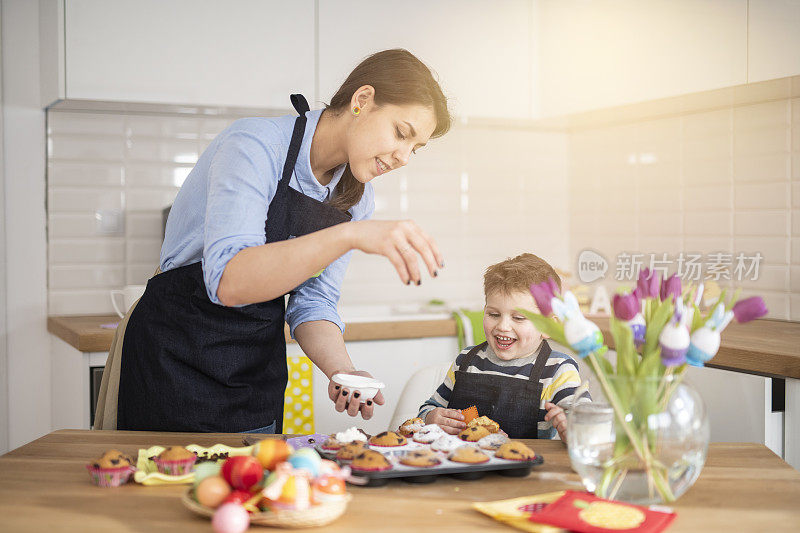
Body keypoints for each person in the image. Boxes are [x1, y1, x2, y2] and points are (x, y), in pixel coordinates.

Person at [94, 49, 452, 433]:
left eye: (416, 148)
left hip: (253, 370)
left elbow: (314, 300)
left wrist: (343, 371)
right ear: (362, 100)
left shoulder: (356, 197)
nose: (404, 158)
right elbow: (229, 281)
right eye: (401, 133)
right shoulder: (255, 145)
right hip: (174, 352)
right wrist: (350, 236)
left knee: (257, 488)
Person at [418, 253, 589, 440]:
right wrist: (430, 417)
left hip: (524, 466)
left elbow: (588, 422)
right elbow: (429, 407)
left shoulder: (558, 369)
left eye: (518, 318)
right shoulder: (466, 360)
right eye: (493, 314)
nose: (503, 326)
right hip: (464, 464)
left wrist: (571, 429)